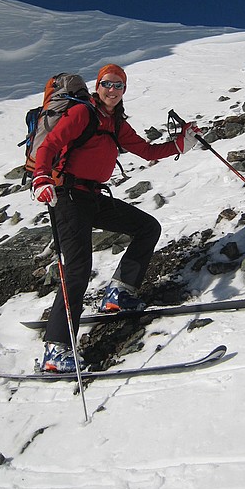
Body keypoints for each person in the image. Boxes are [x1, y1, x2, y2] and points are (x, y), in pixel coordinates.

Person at [31, 63, 199, 372]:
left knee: (147, 227)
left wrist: (182, 144)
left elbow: (147, 151)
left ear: (123, 90)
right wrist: (41, 178)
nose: (112, 90)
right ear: (98, 87)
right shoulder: (83, 114)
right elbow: (51, 143)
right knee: (78, 269)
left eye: (118, 85)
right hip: (66, 197)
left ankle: (120, 293)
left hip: (93, 197)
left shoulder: (115, 123)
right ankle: (56, 350)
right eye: (107, 84)